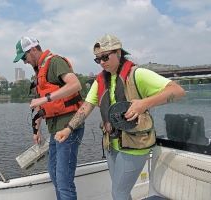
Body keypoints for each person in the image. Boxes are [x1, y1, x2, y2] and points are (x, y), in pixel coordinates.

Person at [54, 34, 185, 200]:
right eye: (97, 59)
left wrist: (144, 103)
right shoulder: (100, 80)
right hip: (112, 144)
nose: (101, 62)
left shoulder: (138, 74)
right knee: (121, 191)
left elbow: (178, 91)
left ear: (119, 52)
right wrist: (68, 128)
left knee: (119, 193)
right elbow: (86, 107)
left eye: (105, 56)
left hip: (135, 145)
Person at [13, 36, 84, 200]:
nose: (24, 62)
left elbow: (75, 84)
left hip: (69, 128)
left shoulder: (55, 62)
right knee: (54, 173)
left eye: (24, 57)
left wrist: (45, 99)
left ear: (32, 50)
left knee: (64, 180)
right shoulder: (39, 72)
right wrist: (36, 129)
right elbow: (38, 105)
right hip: (56, 131)